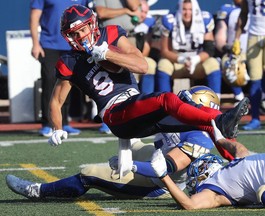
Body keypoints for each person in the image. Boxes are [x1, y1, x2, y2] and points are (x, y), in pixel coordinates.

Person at [45, 4, 250, 151]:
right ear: (68, 37)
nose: (81, 36)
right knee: (166, 99)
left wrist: (107, 53)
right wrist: (57, 128)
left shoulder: (112, 33)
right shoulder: (69, 61)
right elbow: (56, 101)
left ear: (92, 25)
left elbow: (141, 65)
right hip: (115, 114)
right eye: (75, 33)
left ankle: (239, 160)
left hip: (136, 106)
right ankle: (220, 118)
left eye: (83, 29)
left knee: (206, 127)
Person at [5, 86, 247, 200]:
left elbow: (167, 167)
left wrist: (130, 166)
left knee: (90, 173)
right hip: (158, 159)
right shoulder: (185, 122)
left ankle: (38, 191)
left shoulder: (198, 136)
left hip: (163, 182)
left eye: (190, 103)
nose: (184, 107)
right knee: (131, 142)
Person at [151, 140, 265, 208]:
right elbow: (190, 205)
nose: (205, 162)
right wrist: (164, 176)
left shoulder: (232, 165)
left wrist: (219, 138)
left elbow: (238, 148)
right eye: (202, 165)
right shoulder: (212, 191)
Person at [94, 0, 157, 133]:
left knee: (139, 72)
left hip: (130, 37)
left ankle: (144, 113)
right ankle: (109, 118)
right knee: (111, 78)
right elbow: (101, 12)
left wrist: (129, 9)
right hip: (108, 40)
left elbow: (134, 6)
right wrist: (125, 11)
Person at [30, 0, 85, 136]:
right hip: (49, 45)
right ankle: (47, 124)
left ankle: (65, 122)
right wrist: (35, 44)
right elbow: (34, 16)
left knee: (69, 82)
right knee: (49, 81)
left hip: (72, 45)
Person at [232, 0, 265, 130]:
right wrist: (237, 38)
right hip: (253, 36)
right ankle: (255, 118)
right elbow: (243, 14)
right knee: (255, 79)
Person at [155, 0, 222, 100]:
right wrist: (182, 60)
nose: (187, 13)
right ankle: (165, 103)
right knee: (163, 64)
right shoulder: (170, 21)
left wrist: (195, 60)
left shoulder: (204, 20)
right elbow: (164, 51)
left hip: (197, 63)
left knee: (213, 63)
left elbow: (209, 50)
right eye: (184, 9)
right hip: (177, 62)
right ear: (179, 10)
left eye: (190, 9)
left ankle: (215, 101)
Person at [214, 0, 249, 105]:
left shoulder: (258, 9)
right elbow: (219, 39)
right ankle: (239, 97)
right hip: (235, 52)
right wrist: (228, 49)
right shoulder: (227, 10)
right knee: (228, 62)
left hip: (255, 50)